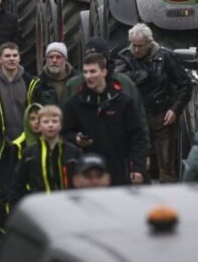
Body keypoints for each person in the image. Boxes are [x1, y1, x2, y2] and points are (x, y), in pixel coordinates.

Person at [0, 42, 52, 240]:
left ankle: (25, 234)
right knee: (2, 194)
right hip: (1, 149)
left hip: (27, 148)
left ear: (19, 58)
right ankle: (2, 233)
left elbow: (41, 112)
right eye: (7, 56)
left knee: (27, 192)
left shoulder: (31, 82)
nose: (11, 59)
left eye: (14, 55)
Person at [113, 23, 191, 183]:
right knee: (139, 169)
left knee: (167, 168)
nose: (136, 50)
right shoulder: (124, 56)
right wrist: (143, 75)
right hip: (136, 119)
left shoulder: (165, 57)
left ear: (149, 43)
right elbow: (118, 80)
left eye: (140, 46)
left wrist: (175, 110)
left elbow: (185, 85)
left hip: (162, 116)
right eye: (133, 45)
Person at [62, 53, 148, 186]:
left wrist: (138, 167)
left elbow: (137, 136)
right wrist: (76, 139)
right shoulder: (74, 104)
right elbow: (64, 133)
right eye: (85, 72)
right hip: (86, 173)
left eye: (92, 71)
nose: (88, 76)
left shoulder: (122, 102)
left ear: (103, 72)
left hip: (117, 170)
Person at [60, 37, 146, 123]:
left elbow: (139, 121)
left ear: (107, 58)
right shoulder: (73, 85)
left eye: (99, 57)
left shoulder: (125, 83)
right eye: (90, 57)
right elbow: (64, 121)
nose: (95, 61)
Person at [9, 105, 80, 207]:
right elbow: (17, 185)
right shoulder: (30, 153)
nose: (50, 125)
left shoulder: (72, 152)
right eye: (46, 122)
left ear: (61, 124)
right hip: (39, 207)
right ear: (40, 125)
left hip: (67, 206)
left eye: (54, 121)